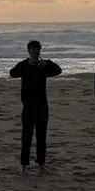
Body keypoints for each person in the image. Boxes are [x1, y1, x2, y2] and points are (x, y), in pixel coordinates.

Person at [9, 40, 62, 172]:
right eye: (32, 49)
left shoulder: (43, 65)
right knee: (26, 137)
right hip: (27, 106)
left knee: (41, 137)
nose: (35, 52)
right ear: (29, 51)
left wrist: (48, 63)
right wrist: (26, 64)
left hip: (42, 106)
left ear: (40, 51)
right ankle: (24, 165)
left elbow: (58, 71)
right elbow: (12, 73)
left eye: (37, 49)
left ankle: (41, 163)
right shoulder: (24, 65)